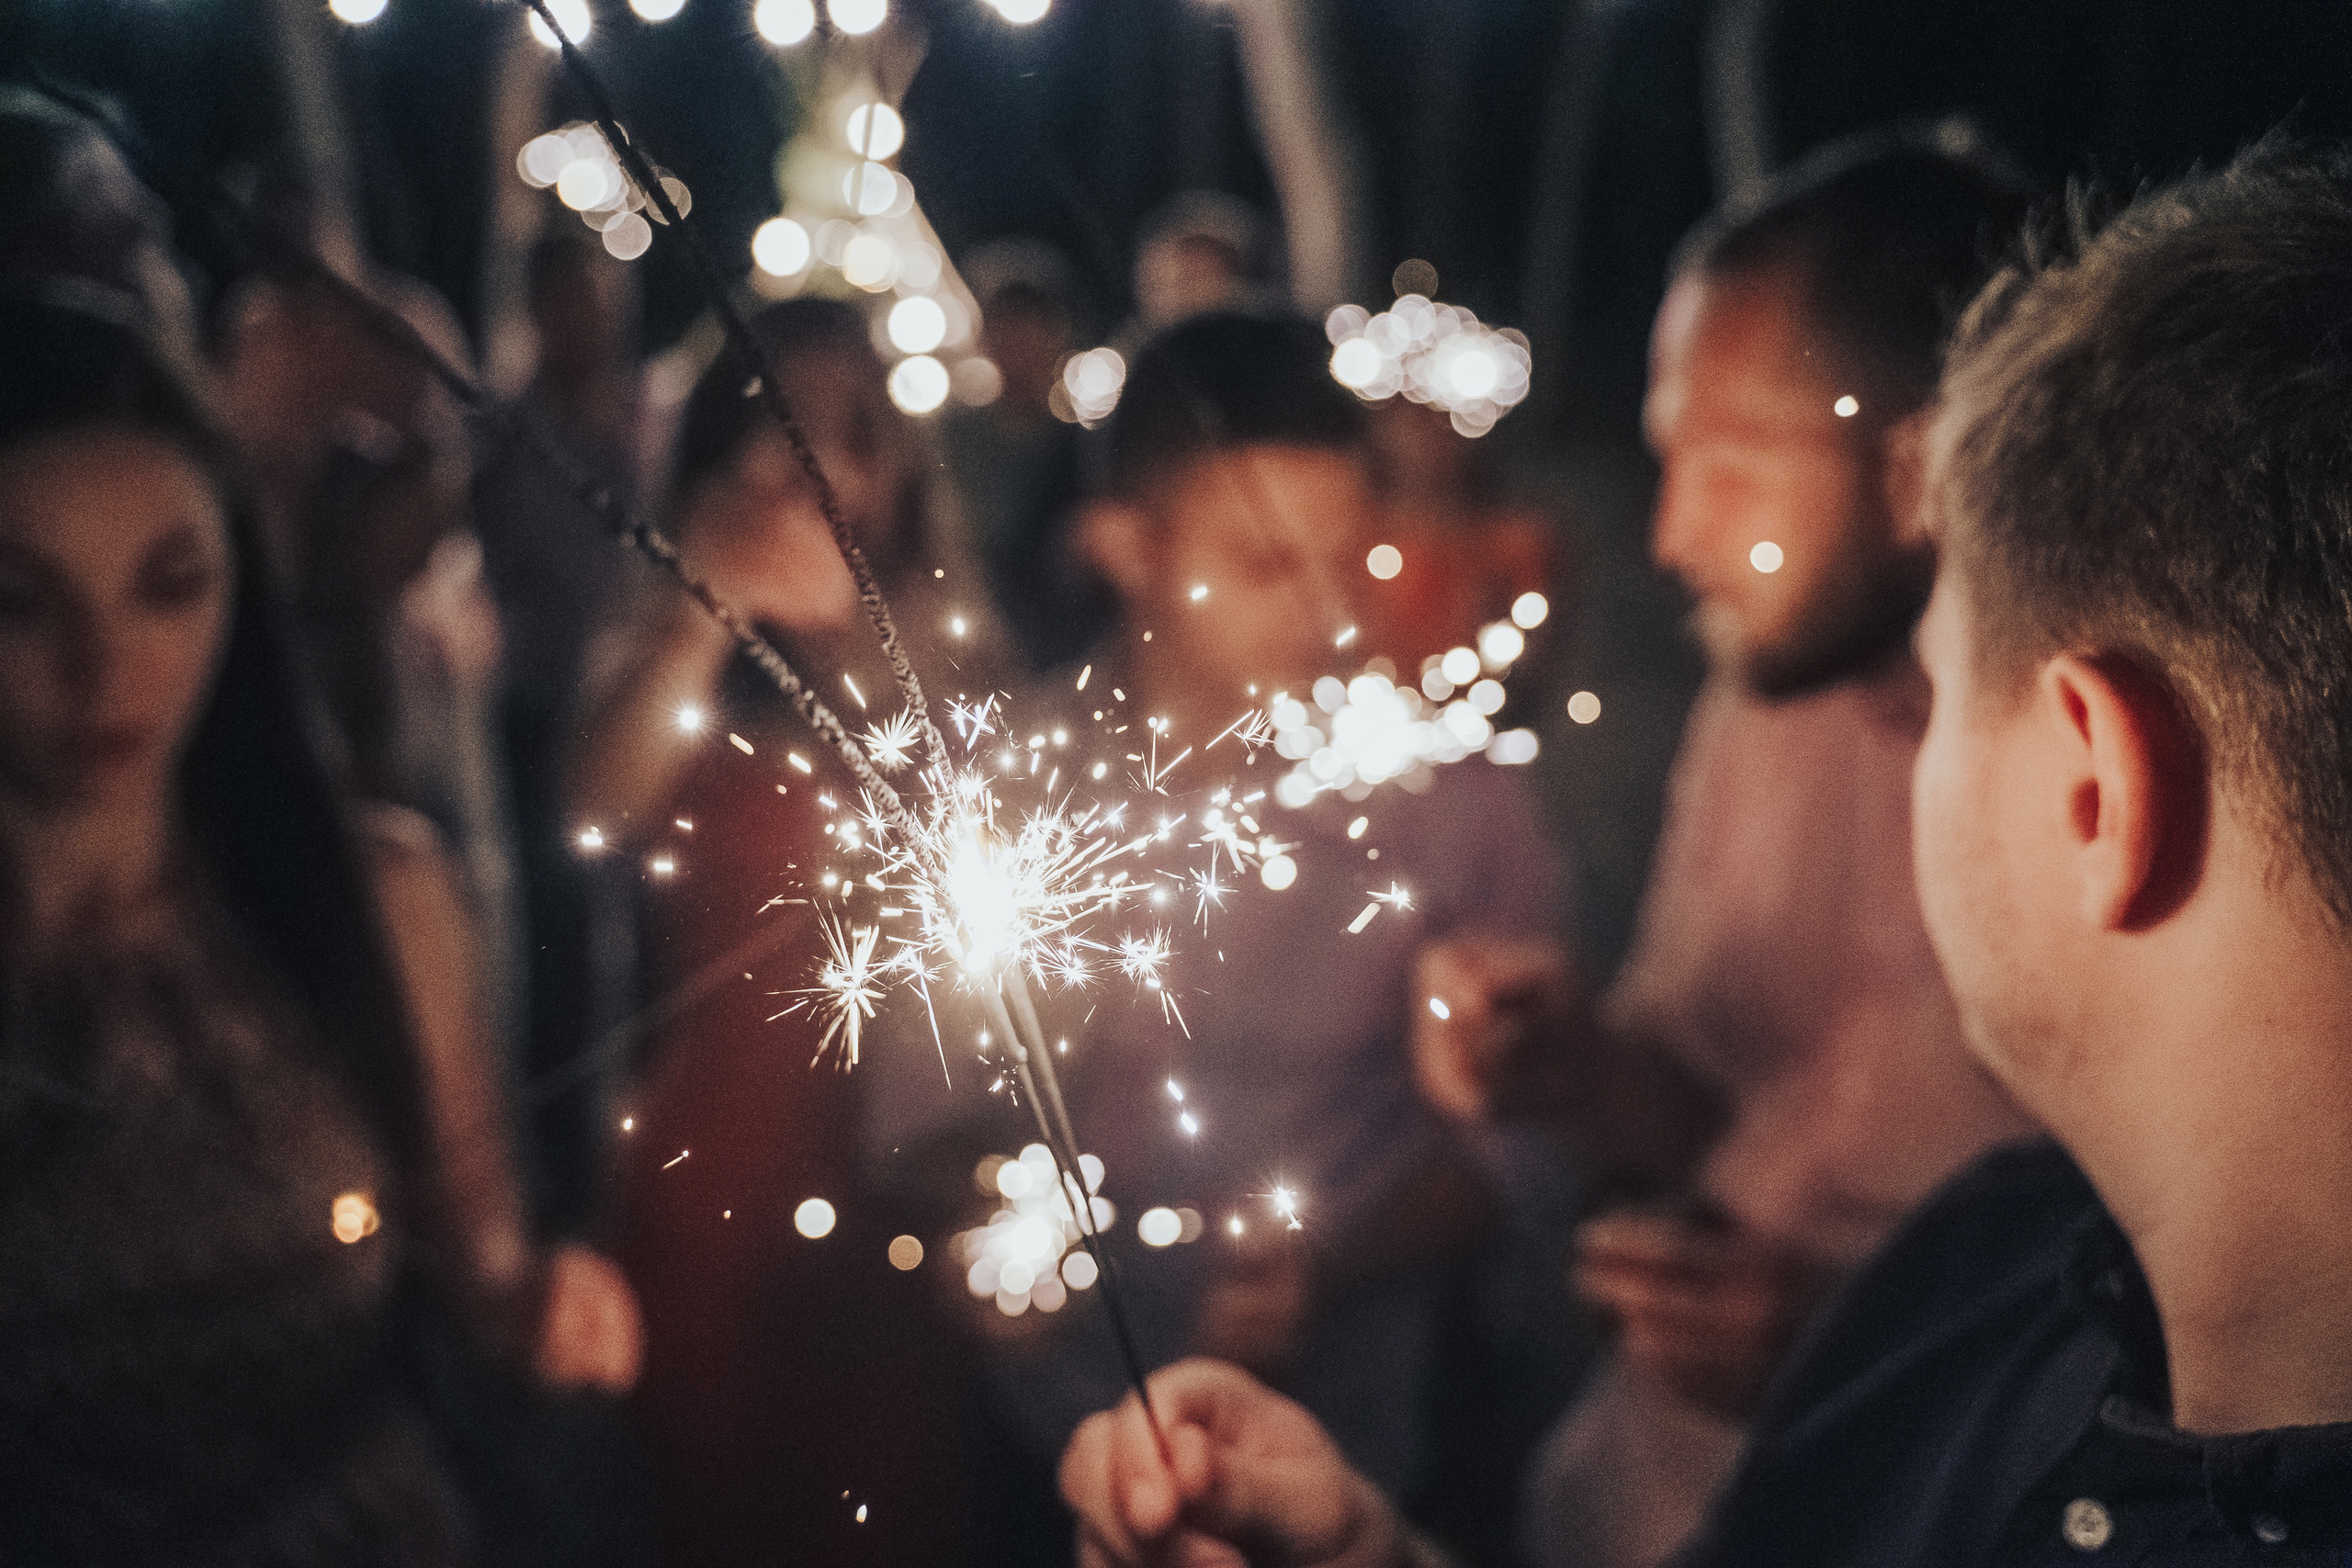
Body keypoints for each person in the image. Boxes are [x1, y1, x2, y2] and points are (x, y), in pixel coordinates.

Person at [1063, 134, 2352, 1568]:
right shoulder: (2009, 1272)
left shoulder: (2008, 1311)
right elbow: (1696, 1086)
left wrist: (1848, 1340)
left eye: (1728, 465)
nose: (1670, 535)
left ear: (2096, 787)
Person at [0, 295, 635, 1562]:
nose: (108, 664)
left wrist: (540, 1306)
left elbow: (477, 1262)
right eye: (22, 603)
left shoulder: (373, 902)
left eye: (169, 586)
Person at [973, 311, 1575, 1560]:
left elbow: (1522, 1146)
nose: (1324, 617)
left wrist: (1338, 1263)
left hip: (1361, 1455)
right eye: (1262, 565)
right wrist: (974, 1235)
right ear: (1124, 548)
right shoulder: (1011, 789)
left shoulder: (1450, 799)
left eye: (1344, 564)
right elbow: (923, 1121)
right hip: (1043, 1436)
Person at [584, 296, 989, 1568]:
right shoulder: (669, 650)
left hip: (908, 1176)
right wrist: (699, 611)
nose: (801, 466)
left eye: (844, 433)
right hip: (712, 1170)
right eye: (770, 424)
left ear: (893, 474)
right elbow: (593, 801)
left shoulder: (953, 666)